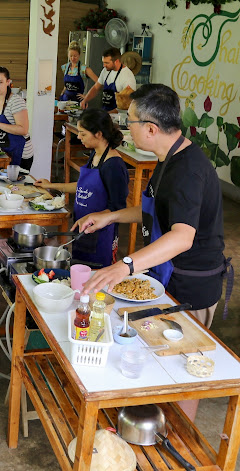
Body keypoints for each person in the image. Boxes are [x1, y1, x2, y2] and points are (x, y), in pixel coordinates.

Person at [78, 83, 233, 421]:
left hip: (189, 283)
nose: (123, 127)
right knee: (160, 361)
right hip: (164, 276)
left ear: (150, 128)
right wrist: (110, 216)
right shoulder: (166, 157)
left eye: (129, 121)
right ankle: (156, 425)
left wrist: (126, 265)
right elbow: (154, 211)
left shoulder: (188, 170)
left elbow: (182, 237)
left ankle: (180, 437)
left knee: (184, 368)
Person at [34, 109, 129, 267]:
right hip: (83, 228)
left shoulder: (114, 166)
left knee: (95, 275)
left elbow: (118, 209)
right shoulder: (96, 154)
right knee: (80, 269)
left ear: (98, 134)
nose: (78, 137)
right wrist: (50, 185)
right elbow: (83, 186)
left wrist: (93, 219)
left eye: (83, 134)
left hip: (101, 235)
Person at [80, 47, 136, 112]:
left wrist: (107, 114)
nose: (104, 65)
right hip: (105, 111)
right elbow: (96, 88)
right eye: (103, 62)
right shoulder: (106, 70)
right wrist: (85, 100)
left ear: (116, 61)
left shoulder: (127, 77)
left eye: (107, 63)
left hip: (117, 117)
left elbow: (127, 105)